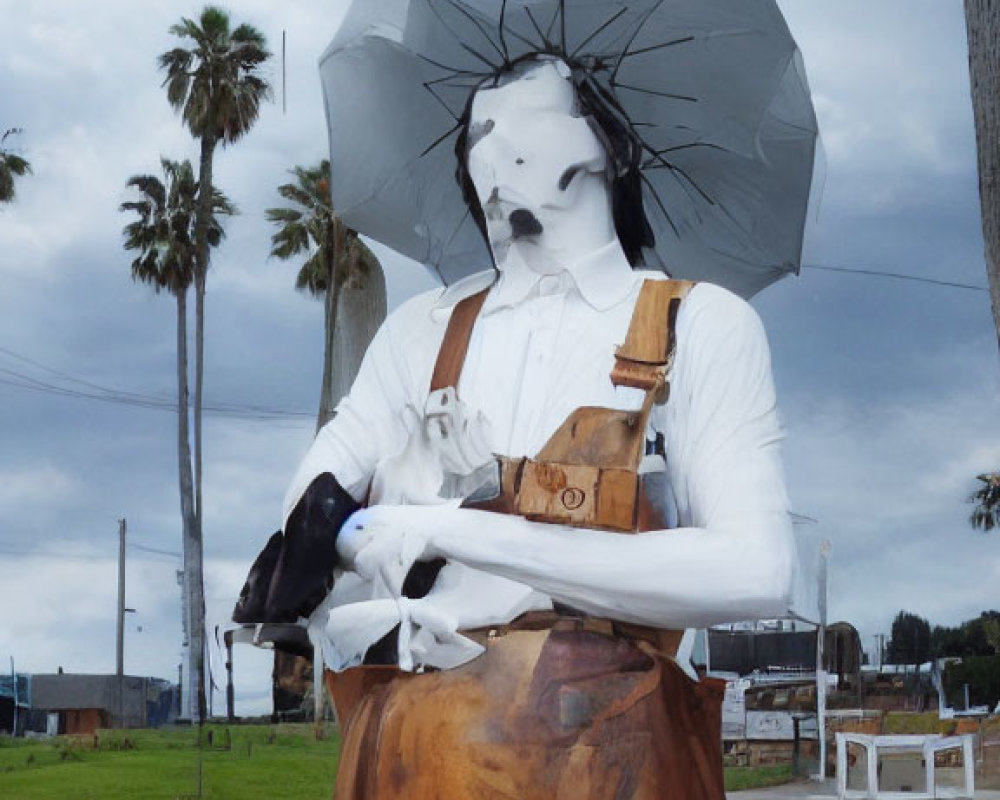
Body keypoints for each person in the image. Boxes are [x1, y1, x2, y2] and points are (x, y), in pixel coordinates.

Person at [239, 55, 795, 800]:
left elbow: (756, 569)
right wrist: (384, 518)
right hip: (414, 751)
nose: (492, 150)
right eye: (477, 133)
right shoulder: (422, 333)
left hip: (616, 759)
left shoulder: (699, 327)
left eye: (525, 120)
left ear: (609, 146)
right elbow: (313, 496)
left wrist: (460, 530)